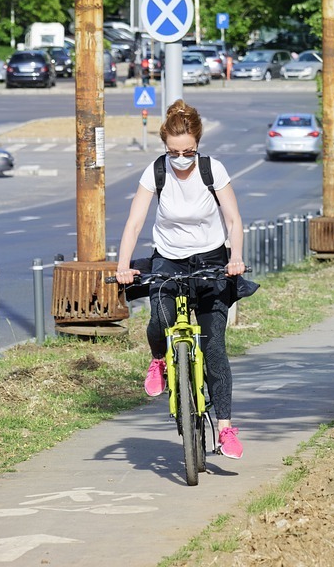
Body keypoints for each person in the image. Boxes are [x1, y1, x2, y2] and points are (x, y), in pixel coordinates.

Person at [115, 99, 251, 459]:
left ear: (197, 145)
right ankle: (159, 359)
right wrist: (123, 264)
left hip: (211, 260)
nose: (180, 158)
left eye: (187, 151)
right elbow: (134, 222)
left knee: (214, 349)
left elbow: (234, 220)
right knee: (159, 319)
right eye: (174, 152)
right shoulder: (156, 172)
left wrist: (235, 257)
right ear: (165, 148)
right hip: (169, 260)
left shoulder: (212, 170)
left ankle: (224, 429)